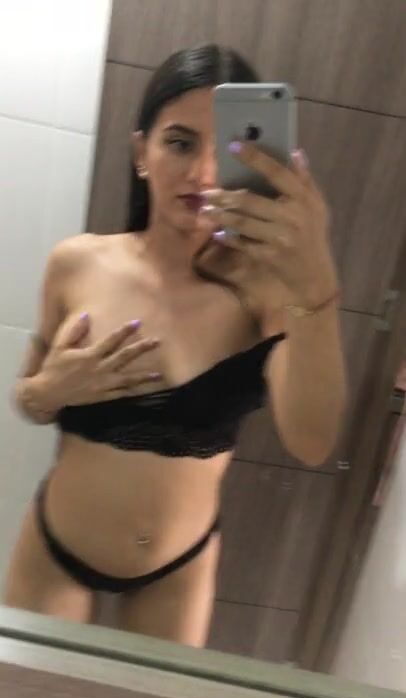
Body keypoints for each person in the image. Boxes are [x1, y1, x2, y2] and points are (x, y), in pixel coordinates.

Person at [3, 44, 347, 648]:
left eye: (231, 149)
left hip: (178, 570)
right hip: (56, 550)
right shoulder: (76, 263)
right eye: (181, 143)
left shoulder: (268, 293)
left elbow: (312, 442)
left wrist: (315, 286)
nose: (204, 172)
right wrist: (50, 390)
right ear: (141, 152)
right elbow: (28, 400)